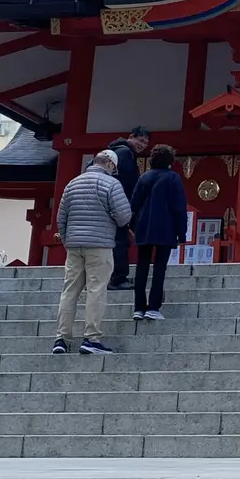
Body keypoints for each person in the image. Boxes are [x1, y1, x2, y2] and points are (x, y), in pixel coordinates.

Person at [52, 150, 133, 356]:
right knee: (96, 290)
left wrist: (66, 240)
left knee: (69, 291)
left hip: (74, 246)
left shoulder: (72, 183)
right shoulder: (112, 184)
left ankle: (61, 339)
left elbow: (61, 218)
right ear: (110, 164)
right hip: (100, 245)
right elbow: (124, 216)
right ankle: (91, 338)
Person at [129, 144, 188, 322]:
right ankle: (153, 306)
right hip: (165, 227)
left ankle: (139, 306)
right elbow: (179, 207)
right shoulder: (173, 178)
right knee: (159, 267)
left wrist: (132, 226)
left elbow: (133, 205)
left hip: (143, 226)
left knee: (142, 267)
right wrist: (181, 233)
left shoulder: (144, 177)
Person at [106, 125, 150, 289]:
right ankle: (119, 277)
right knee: (120, 240)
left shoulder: (116, 152)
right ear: (131, 136)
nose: (143, 145)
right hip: (118, 204)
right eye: (140, 140)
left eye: (145, 143)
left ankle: (112, 276)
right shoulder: (124, 154)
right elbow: (125, 182)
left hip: (111, 204)